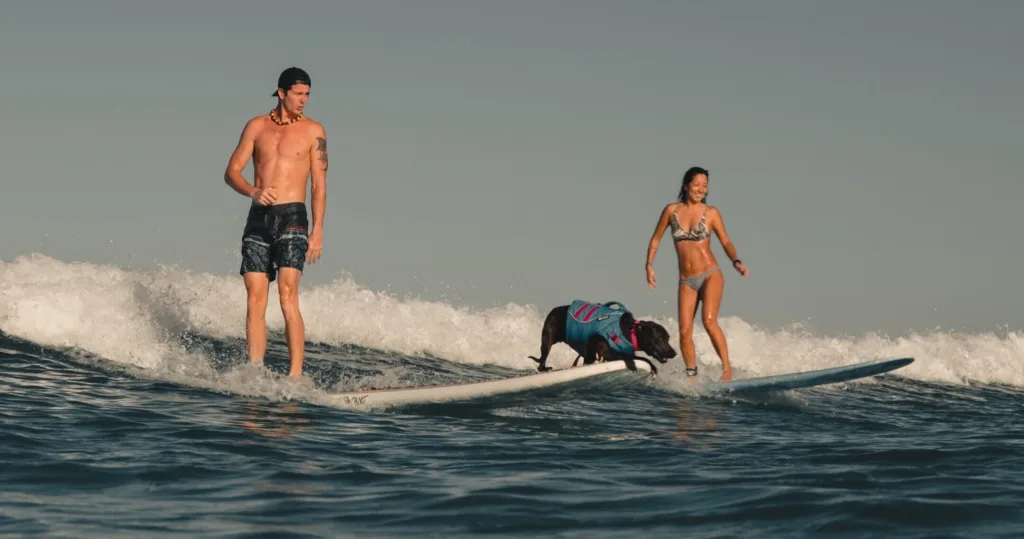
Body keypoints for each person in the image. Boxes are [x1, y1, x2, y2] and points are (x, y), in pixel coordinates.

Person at [223, 67, 328, 379]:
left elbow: (319, 186)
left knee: (287, 293)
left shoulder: (314, 131)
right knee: (255, 297)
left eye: (307, 94)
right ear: (281, 92)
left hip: (293, 218)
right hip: (259, 218)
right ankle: (255, 371)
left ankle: (295, 377)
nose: (304, 100)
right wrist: (253, 192)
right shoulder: (256, 126)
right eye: (298, 94)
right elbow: (231, 172)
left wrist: (318, 230)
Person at [645, 167, 748, 381]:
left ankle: (726, 370)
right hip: (687, 281)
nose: (701, 189)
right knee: (684, 331)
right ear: (686, 186)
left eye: (705, 185)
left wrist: (736, 261)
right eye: (696, 185)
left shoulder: (711, 213)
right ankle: (691, 374)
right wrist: (649, 265)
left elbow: (725, 241)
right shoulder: (671, 211)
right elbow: (656, 239)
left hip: (711, 274)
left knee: (709, 321)